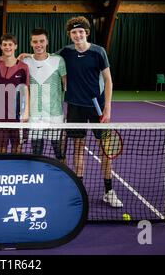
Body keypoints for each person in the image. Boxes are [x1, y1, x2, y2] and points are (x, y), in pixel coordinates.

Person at [58, 16, 123, 208]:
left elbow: (108, 81)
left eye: (80, 31)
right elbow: (45, 58)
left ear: (86, 32)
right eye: (73, 32)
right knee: (78, 149)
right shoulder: (66, 52)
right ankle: (79, 191)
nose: (77, 35)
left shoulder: (98, 52)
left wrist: (108, 107)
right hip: (75, 107)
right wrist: (25, 56)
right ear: (69, 35)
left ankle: (108, 191)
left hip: (97, 107)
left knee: (105, 151)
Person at [22, 29, 67, 162]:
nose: (38, 44)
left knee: (59, 153)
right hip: (34, 116)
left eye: (41, 41)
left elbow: (66, 85)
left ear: (47, 41)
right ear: (31, 43)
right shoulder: (25, 61)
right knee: (36, 153)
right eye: (35, 41)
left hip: (55, 115)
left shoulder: (58, 60)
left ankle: (61, 179)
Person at [0, 33, 30, 153]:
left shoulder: (24, 67)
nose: (7, 47)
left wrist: (26, 113)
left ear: (15, 46)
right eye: (5, 45)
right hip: (0, 115)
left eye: (10, 44)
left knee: (17, 149)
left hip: (17, 116)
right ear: (1, 47)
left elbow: (26, 90)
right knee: (0, 149)